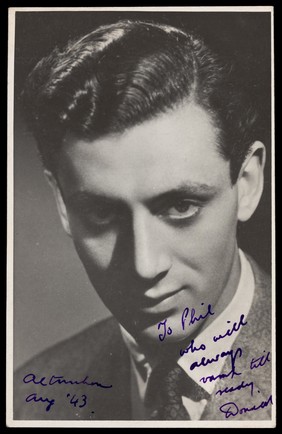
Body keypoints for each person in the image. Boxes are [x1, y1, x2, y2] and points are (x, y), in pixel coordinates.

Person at [14, 20, 272, 421]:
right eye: (101, 213)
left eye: (181, 206)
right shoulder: (29, 396)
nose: (145, 265)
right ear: (62, 205)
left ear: (248, 184)